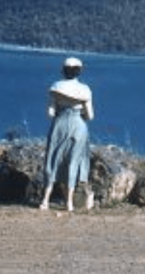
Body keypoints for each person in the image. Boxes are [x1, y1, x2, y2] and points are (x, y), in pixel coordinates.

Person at [40, 57, 95, 212]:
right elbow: (90, 116)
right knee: (73, 161)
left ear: (63, 70)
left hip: (60, 124)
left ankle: (45, 200)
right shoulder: (85, 90)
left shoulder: (56, 86)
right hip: (78, 125)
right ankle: (69, 203)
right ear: (79, 71)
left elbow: (50, 113)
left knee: (52, 159)